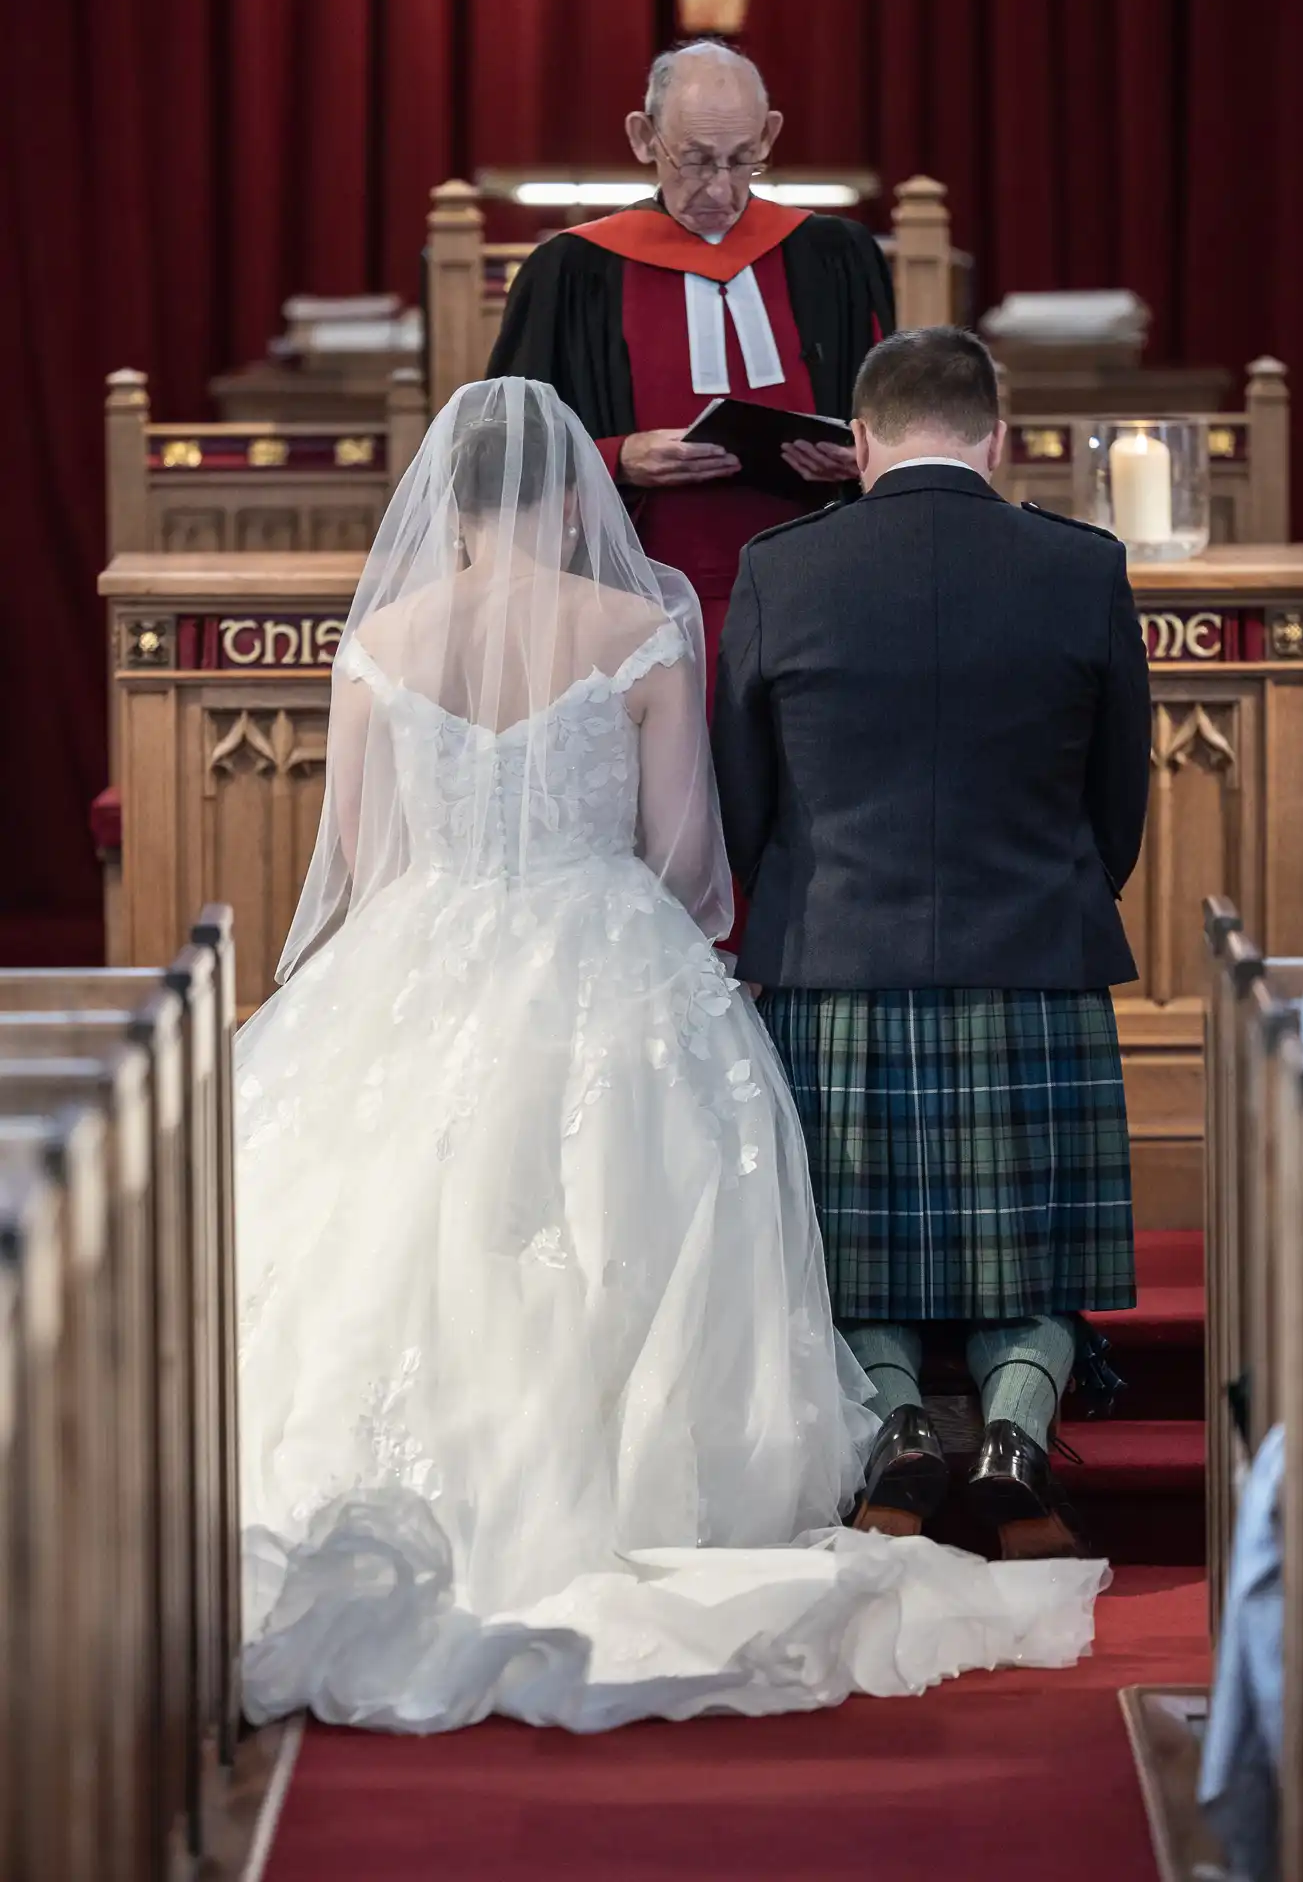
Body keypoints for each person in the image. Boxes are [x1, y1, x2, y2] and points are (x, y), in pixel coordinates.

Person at [235, 376, 1106, 1735]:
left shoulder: (380, 647)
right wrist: (633, 917)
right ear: (574, 503)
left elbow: (355, 856)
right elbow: (691, 858)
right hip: (601, 947)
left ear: (450, 510)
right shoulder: (640, 630)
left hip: (417, 949)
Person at [713, 327, 1152, 1559]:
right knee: (1037, 1249)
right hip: (1038, 954)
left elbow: (741, 791)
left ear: (856, 440)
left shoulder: (780, 568)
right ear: (995, 436)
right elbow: (1119, 791)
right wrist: (1062, 895)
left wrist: (789, 913)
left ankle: (900, 1428)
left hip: (835, 958)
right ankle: (1015, 1435)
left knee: (851, 1257)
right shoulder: (1081, 565)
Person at [486, 41, 894, 702]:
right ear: (644, 139)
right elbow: (499, 447)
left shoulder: (833, 257)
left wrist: (862, 457)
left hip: (817, 601)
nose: (720, 189)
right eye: (697, 160)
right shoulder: (572, 271)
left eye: (743, 160)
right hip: (630, 602)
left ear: (769, 134)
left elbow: (891, 421)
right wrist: (616, 457)